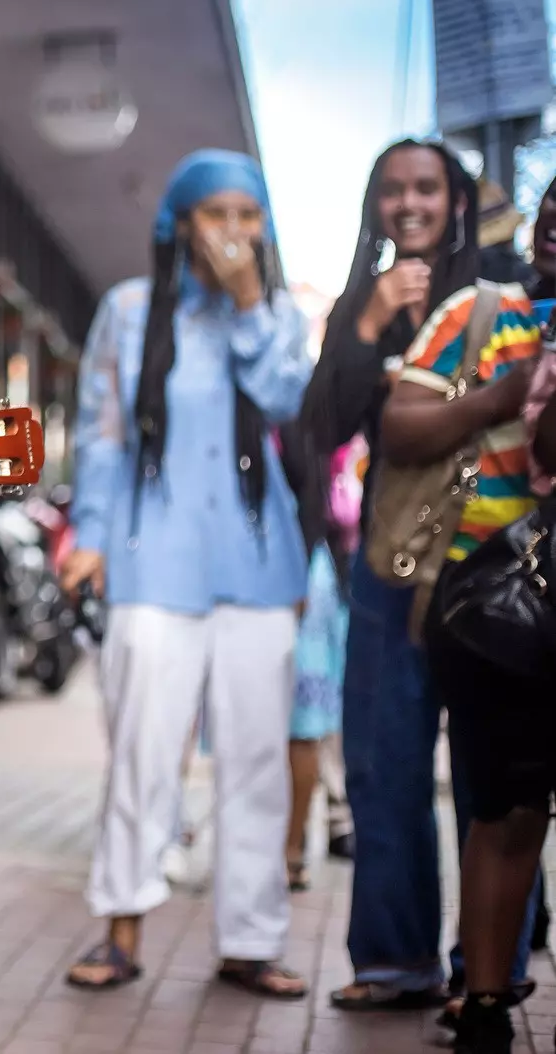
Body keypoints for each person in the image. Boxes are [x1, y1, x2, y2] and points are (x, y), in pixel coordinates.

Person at [61, 150, 313, 998]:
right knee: (141, 750)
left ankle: (250, 940)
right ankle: (122, 925)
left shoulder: (275, 315)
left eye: (250, 216)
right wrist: (89, 535)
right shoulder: (128, 311)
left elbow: (286, 401)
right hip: (148, 559)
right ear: (179, 223)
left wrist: (248, 303)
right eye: (218, 214)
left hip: (256, 561)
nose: (236, 232)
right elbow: (100, 431)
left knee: (255, 761)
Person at [300, 140, 538, 1013]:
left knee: (495, 778)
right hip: (392, 563)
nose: (410, 204)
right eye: (393, 190)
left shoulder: (507, 291)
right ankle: (395, 962)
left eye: (427, 188)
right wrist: (364, 329)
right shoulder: (361, 303)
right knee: (384, 763)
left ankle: (490, 973)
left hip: (497, 565)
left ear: (456, 201)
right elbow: (322, 426)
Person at [427, 171, 556, 1053]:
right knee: (508, 806)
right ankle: (482, 1003)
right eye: (555, 215)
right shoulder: (496, 320)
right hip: (521, 599)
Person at [277, 426, 347, 894]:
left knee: (300, 728)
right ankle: (287, 846)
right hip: (287, 569)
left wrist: (298, 575)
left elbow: (310, 496)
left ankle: (292, 848)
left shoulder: (290, 413)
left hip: (296, 572)